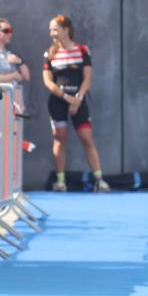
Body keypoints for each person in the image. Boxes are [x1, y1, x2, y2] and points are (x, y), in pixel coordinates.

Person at [42, 14, 109, 193]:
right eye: (51, 30)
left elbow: (88, 78)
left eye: (55, 29)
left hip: (79, 102)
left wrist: (77, 99)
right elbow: (48, 81)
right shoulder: (51, 52)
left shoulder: (81, 50)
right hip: (58, 102)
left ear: (66, 30)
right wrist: (65, 97)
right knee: (60, 138)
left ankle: (99, 180)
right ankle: (60, 181)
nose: (52, 33)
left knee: (87, 139)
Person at [0, 18, 30, 85]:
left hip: (12, 93)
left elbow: (26, 77)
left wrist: (20, 62)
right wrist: (13, 76)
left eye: (11, 31)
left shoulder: (10, 52)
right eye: (6, 31)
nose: (10, 34)